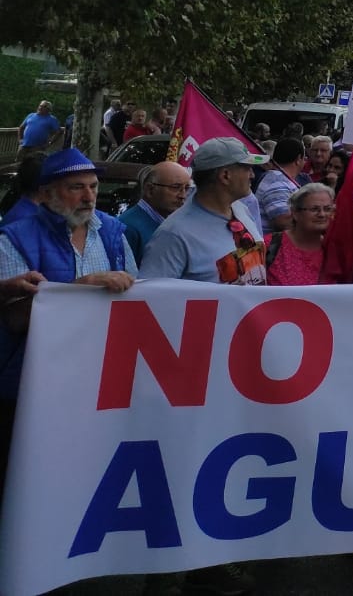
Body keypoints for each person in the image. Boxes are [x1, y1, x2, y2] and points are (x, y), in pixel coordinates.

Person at [0, 148, 136, 480]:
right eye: (76, 187)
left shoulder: (113, 232)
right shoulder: (15, 237)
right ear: (46, 194)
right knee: (29, 476)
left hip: (99, 379)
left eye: (93, 186)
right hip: (35, 385)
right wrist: (80, 288)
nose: (89, 196)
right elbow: (14, 320)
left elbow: (138, 295)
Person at [142, 138, 270, 285]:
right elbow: (152, 297)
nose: (252, 175)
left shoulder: (242, 210)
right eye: (247, 168)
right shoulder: (173, 235)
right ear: (225, 175)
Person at [118, 160, 190, 265]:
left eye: (187, 188)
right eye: (175, 187)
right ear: (150, 190)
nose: (183, 196)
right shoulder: (128, 228)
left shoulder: (171, 221)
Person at [265, 183, 334, 285]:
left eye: (327, 209)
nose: (322, 214)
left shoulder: (333, 250)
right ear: (295, 213)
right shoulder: (269, 245)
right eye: (314, 209)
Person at [255, 137, 307, 232]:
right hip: (269, 244)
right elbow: (283, 221)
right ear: (298, 159)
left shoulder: (279, 178)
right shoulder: (277, 182)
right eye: (304, 158)